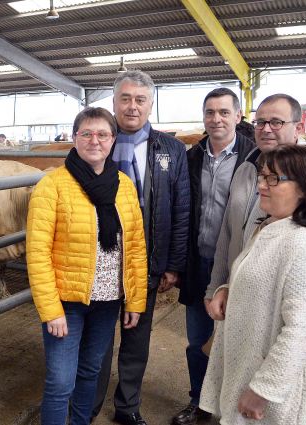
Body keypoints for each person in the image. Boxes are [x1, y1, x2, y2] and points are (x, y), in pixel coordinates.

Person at [199, 144, 306, 423]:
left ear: (304, 188)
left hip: (279, 400)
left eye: (273, 179)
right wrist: (227, 291)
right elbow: (260, 280)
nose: (261, 185)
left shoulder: (305, 245)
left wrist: (263, 389)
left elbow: (301, 332)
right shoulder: (270, 228)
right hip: (249, 374)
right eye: (262, 176)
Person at [26, 107, 147, 425]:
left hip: (108, 301)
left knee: (90, 373)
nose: (95, 140)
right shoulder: (52, 186)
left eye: (103, 134)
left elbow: (134, 247)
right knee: (60, 382)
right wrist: (51, 309)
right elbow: (37, 253)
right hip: (67, 304)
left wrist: (136, 300)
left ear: (113, 139)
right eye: (87, 133)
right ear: (74, 137)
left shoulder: (123, 186)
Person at [93, 70, 191, 425]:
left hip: (145, 262)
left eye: (140, 99)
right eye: (125, 98)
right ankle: (89, 403)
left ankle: (127, 406)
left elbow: (181, 208)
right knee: (98, 340)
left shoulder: (172, 149)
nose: (132, 106)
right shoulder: (96, 142)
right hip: (100, 262)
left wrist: (173, 263)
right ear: (114, 102)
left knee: (136, 338)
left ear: (151, 104)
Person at [205, 93, 306, 322]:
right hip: (236, 296)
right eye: (260, 122)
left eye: (276, 122)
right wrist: (216, 286)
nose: (266, 129)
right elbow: (227, 233)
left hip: (280, 310)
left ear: (297, 128)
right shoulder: (245, 170)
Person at [172, 88, 254, 425]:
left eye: (223, 112)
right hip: (199, 262)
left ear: (237, 116)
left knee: (238, 340)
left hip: (238, 266)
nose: (216, 119)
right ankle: (198, 401)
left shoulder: (254, 158)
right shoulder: (190, 158)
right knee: (197, 340)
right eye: (210, 112)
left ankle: (232, 404)